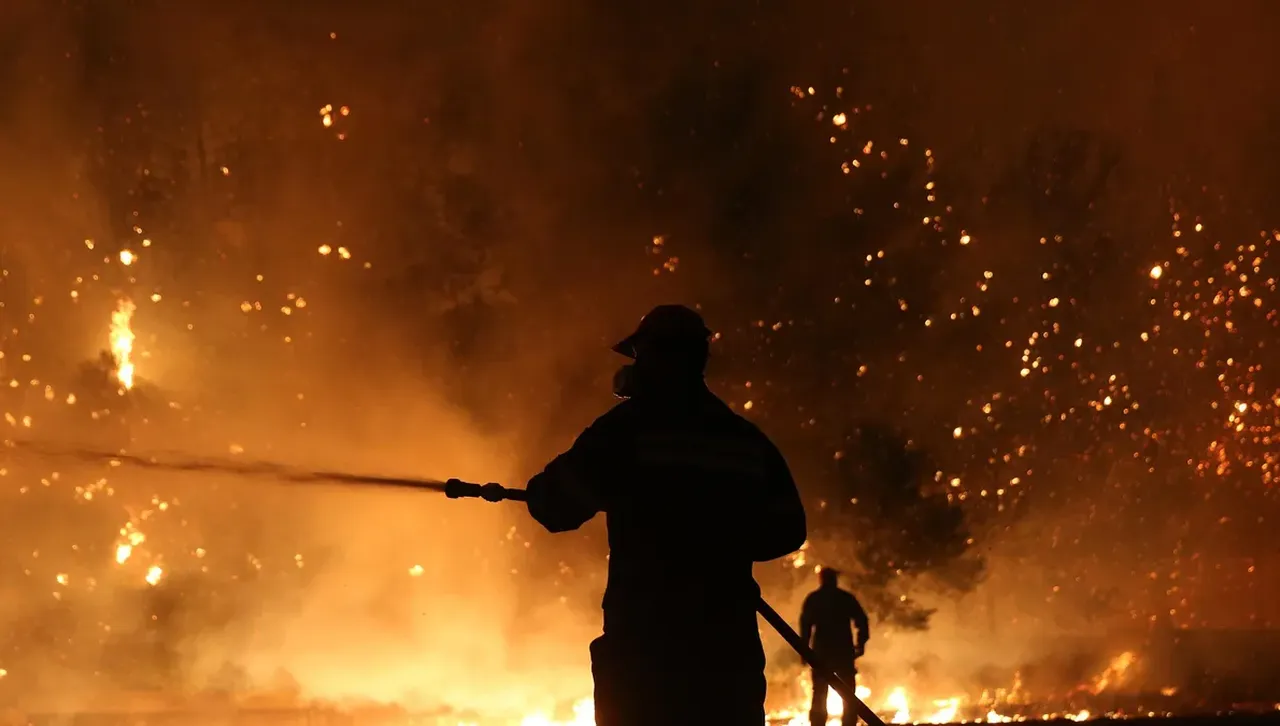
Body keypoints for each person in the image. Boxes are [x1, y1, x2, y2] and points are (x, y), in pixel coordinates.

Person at [525, 304, 808, 726]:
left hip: (645, 649)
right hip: (726, 650)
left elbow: (554, 505)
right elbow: (788, 529)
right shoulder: (742, 439)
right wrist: (723, 546)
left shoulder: (626, 431)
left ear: (651, 357)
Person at [800, 568, 871, 726]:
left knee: (819, 692)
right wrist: (860, 643)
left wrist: (804, 651)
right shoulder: (844, 598)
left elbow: (806, 627)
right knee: (846, 693)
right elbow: (862, 620)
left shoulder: (814, 599)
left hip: (821, 653)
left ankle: (818, 724)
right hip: (842, 652)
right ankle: (848, 723)